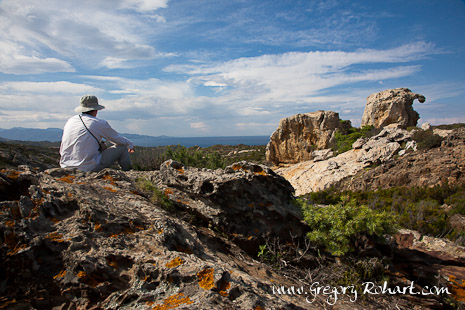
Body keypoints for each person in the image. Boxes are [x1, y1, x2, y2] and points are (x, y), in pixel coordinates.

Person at [60, 95, 135, 172]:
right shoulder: (98, 123)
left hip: (65, 167)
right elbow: (117, 139)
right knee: (122, 147)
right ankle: (128, 173)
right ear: (96, 110)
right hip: (87, 167)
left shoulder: (71, 121)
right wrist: (130, 144)